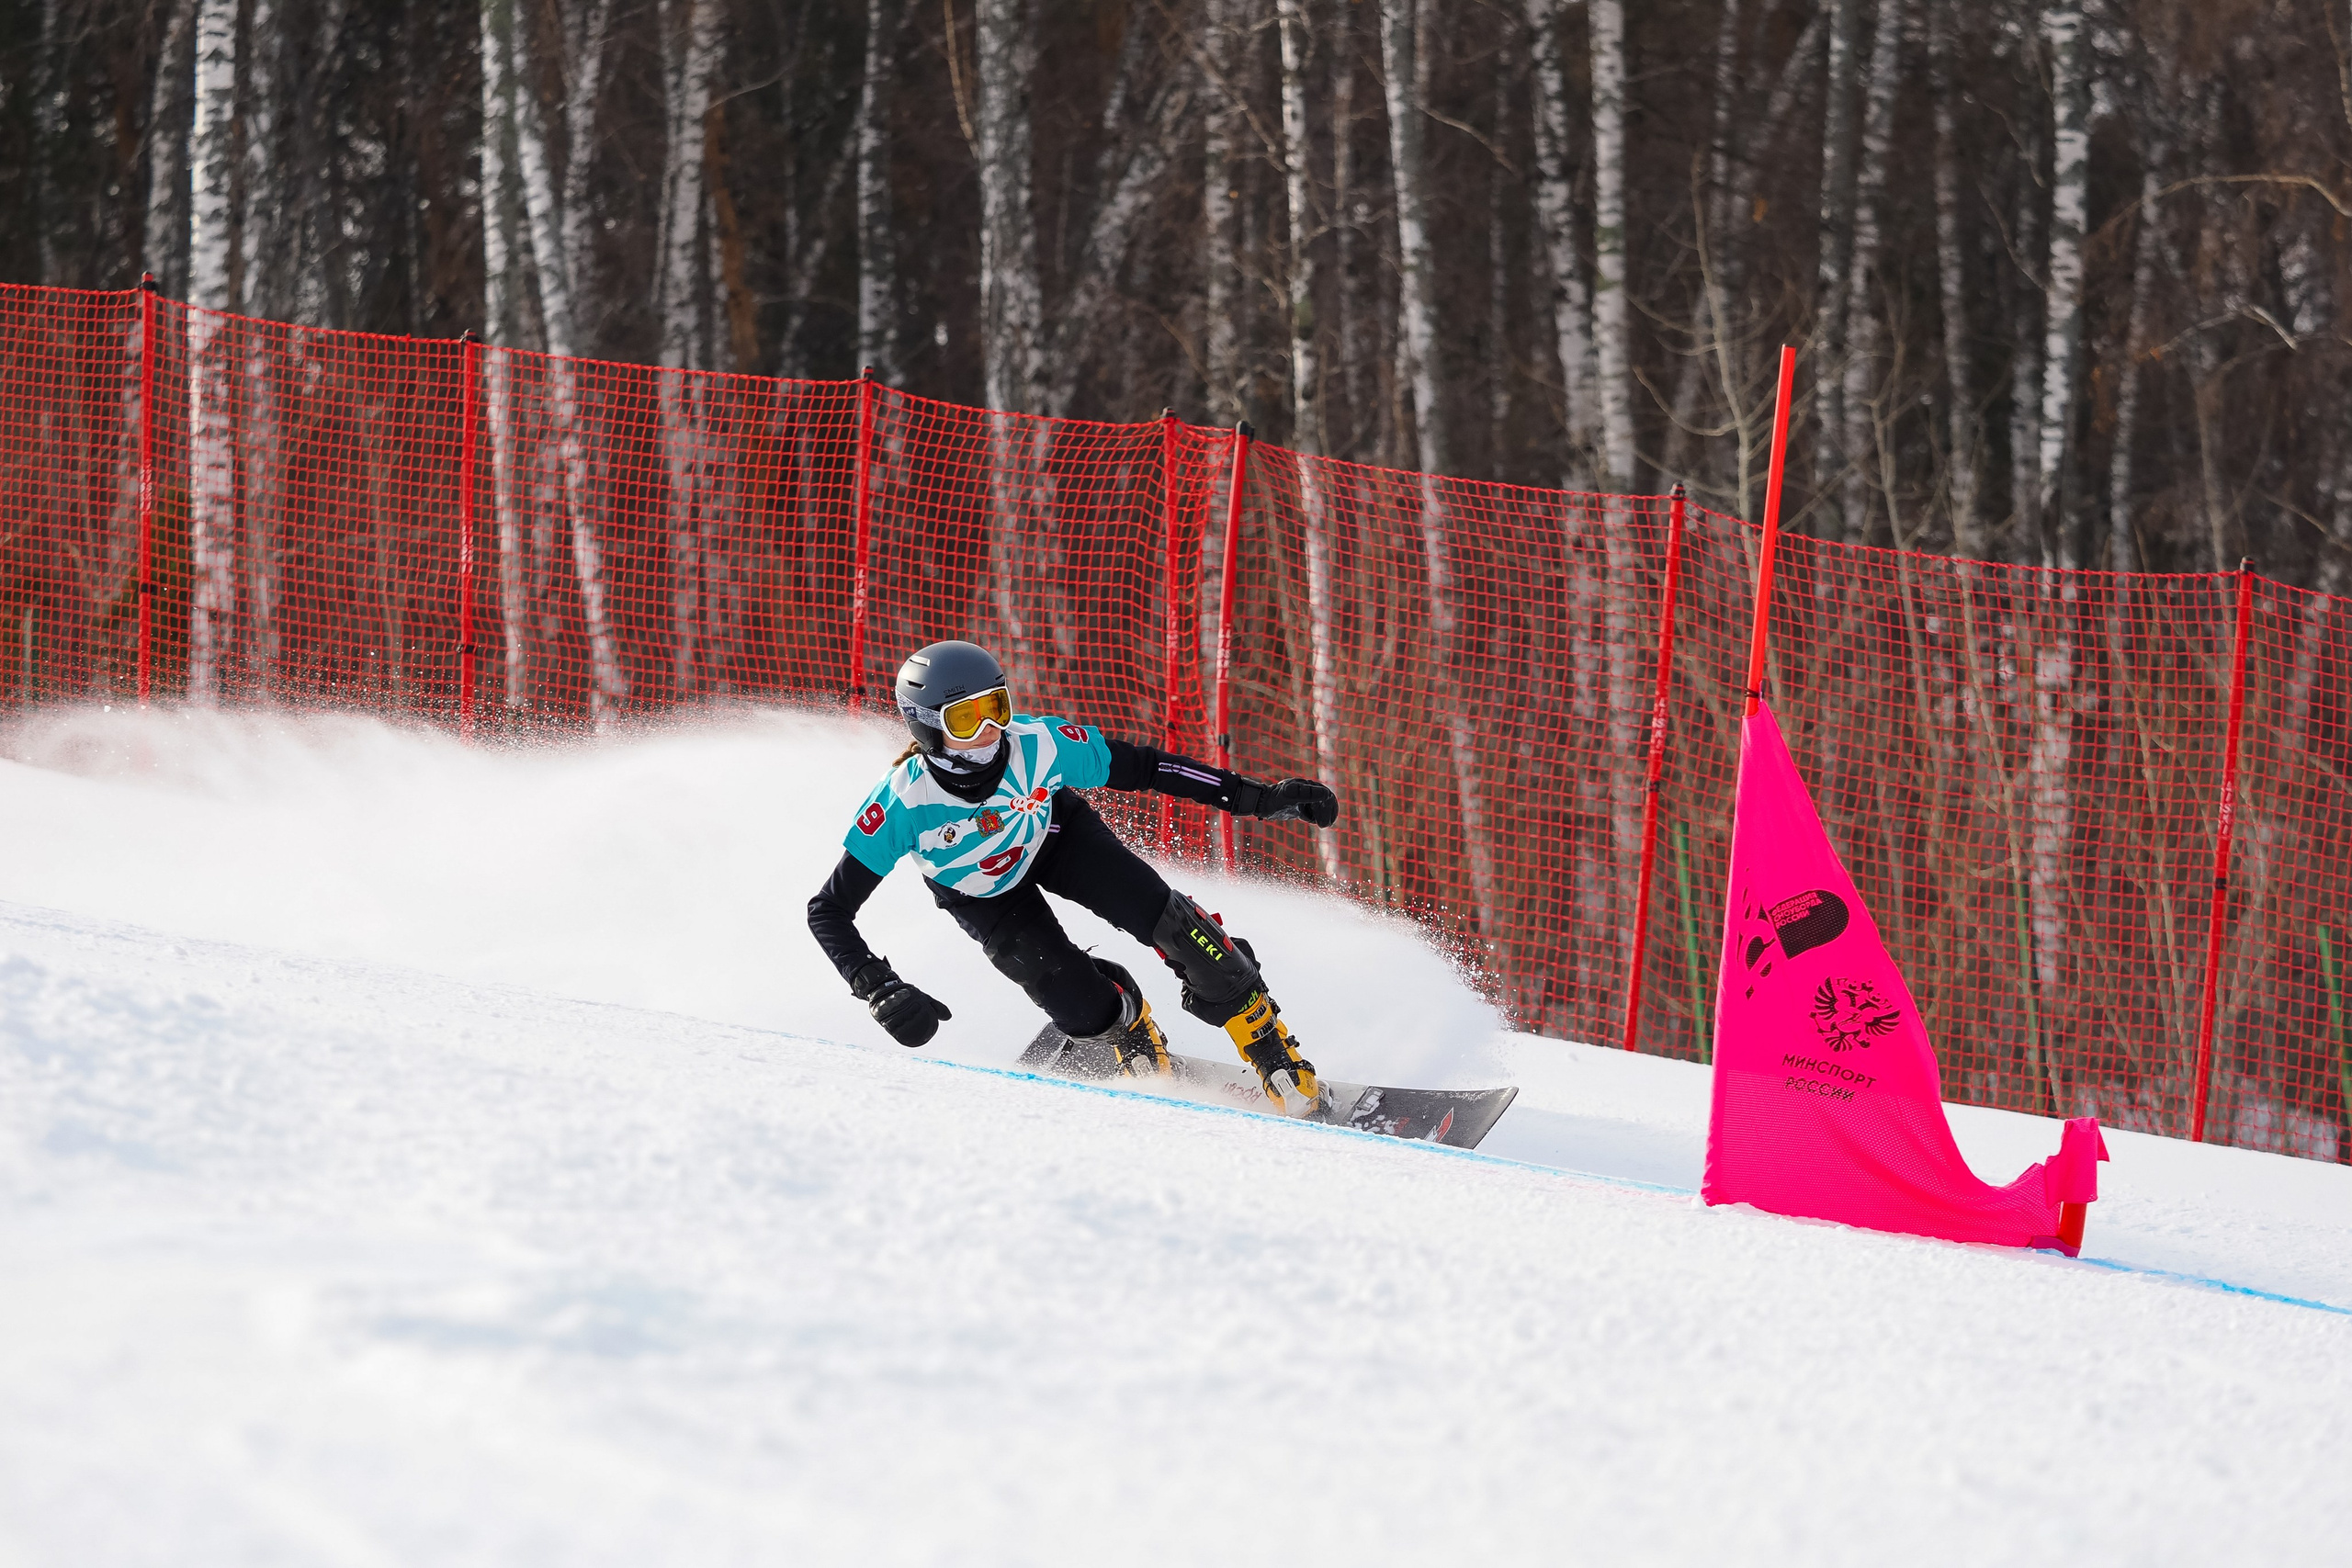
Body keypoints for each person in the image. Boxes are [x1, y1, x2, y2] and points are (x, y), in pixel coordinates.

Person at [808, 639, 1342, 1115]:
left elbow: (1148, 767)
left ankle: (1267, 1043)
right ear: (926, 726)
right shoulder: (903, 801)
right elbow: (828, 909)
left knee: (1180, 930)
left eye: (997, 709)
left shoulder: (1039, 743)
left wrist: (1257, 797)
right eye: (967, 721)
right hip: (982, 894)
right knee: (1074, 1002)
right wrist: (878, 987)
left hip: (1058, 839)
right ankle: (1126, 1026)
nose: (992, 732)